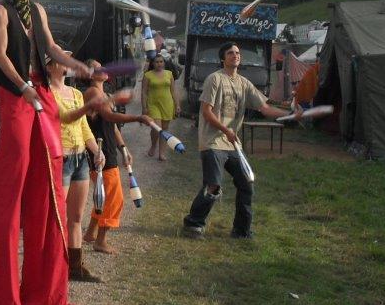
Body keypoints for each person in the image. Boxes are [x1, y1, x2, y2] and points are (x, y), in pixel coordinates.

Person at [0, 0, 93, 305]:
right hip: (16, 97)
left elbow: (53, 50)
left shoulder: (38, 10)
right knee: (14, 184)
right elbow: (0, 57)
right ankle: (2, 298)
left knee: (48, 188)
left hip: (40, 92)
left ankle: (43, 290)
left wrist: (80, 68)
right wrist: (24, 89)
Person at [181, 42, 302, 239]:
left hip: (232, 144)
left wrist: (288, 114)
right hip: (212, 142)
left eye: (237, 53)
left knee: (247, 183)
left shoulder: (244, 83)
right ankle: (193, 224)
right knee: (213, 186)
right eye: (230, 53)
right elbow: (206, 111)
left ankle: (241, 230)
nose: (235, 55)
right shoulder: (215, 79)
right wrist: (226, 130)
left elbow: (265, 107)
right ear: (223, 58)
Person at [82, 62, 154, 254]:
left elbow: (112, 127)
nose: (103, 70)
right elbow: (109, 116)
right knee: (114, 198)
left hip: (109, 150)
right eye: (97, 68)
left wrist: (123, 148)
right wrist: (138, 118)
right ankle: (101, 241)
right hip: (99, 152)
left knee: (104, 195)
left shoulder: (104, 95)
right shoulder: (92, 93)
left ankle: (90, 234)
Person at [47, 53, 105, 282]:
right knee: (57, 217)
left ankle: (75, 267)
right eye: (63, 60)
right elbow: (66, 117)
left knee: (76, 216)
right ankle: (53, 266)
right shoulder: (47, 93)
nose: (69, 63)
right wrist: (90, 106)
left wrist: (96, 151)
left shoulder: (76, 93)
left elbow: (83, 127)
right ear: (51, 66)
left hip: (80, 159)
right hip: (61, 160)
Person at [143, 54, 177, 161]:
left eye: (161, 61)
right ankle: (153, 145)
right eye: (157, 62)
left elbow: (173, 91)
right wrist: (144, 107)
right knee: (157, 128)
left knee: (165, 130)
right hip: (153, 104)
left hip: (167, 104)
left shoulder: (169, 74)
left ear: (164, 63)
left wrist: (177, 105)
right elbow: (144, 92)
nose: (159, 64)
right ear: (153, 64)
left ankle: (161, 153)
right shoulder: (148, 75)